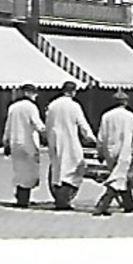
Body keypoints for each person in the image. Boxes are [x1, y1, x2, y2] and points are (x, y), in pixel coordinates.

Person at [93, 90, 133, 217]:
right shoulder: (129, 116)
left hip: (110, 151)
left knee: (120, 176)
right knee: (117, 178)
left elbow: (101, 136)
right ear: (125, 102)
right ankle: (102, 205)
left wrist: (100, 152)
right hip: (124, 150)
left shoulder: (106, 116)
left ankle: (128, 204)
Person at [44, 81, 96, 210]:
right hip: (69, 141)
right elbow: (82, 124)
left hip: (54, 141)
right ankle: (64, 200)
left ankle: (60, 197)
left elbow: (47, 124)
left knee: (58, 169)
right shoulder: (74, 106)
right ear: (73, 92)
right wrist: (91, 138)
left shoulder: (52, 105)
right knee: (74, 167)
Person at [1, 84, 45, 209]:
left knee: (19, 171)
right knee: (30, 172)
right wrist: (48, 132)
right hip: (29, 144)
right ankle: (24, 199)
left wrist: (6, 142)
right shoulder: (31, 107)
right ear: (29, 93)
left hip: (15, 143)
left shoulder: (13, 107)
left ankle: (21, 196)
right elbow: (38, 124)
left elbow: (8, 127)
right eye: (35, 93)